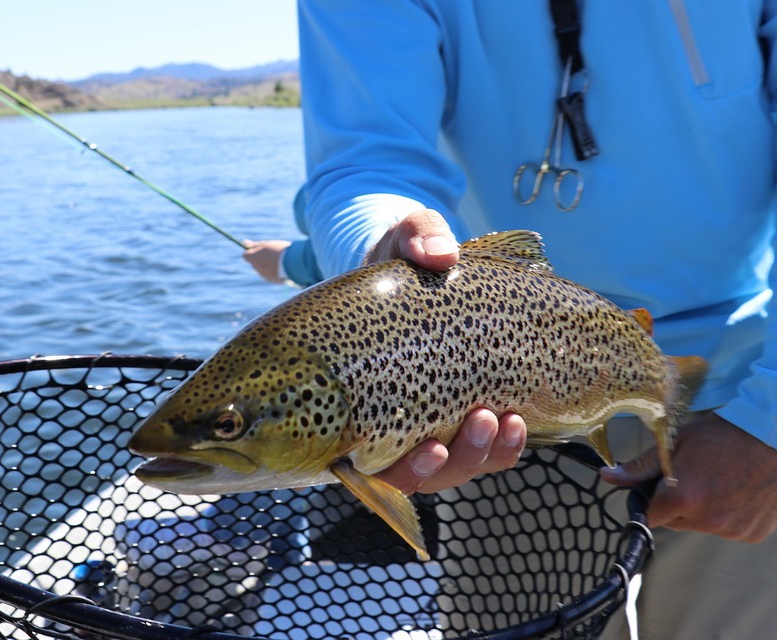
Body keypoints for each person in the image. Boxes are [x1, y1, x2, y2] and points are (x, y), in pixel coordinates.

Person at [245, 2, 777, 639]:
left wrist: (767, 420)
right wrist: (382, 245)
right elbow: (365, 158)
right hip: (485, 411)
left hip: (746, 381)